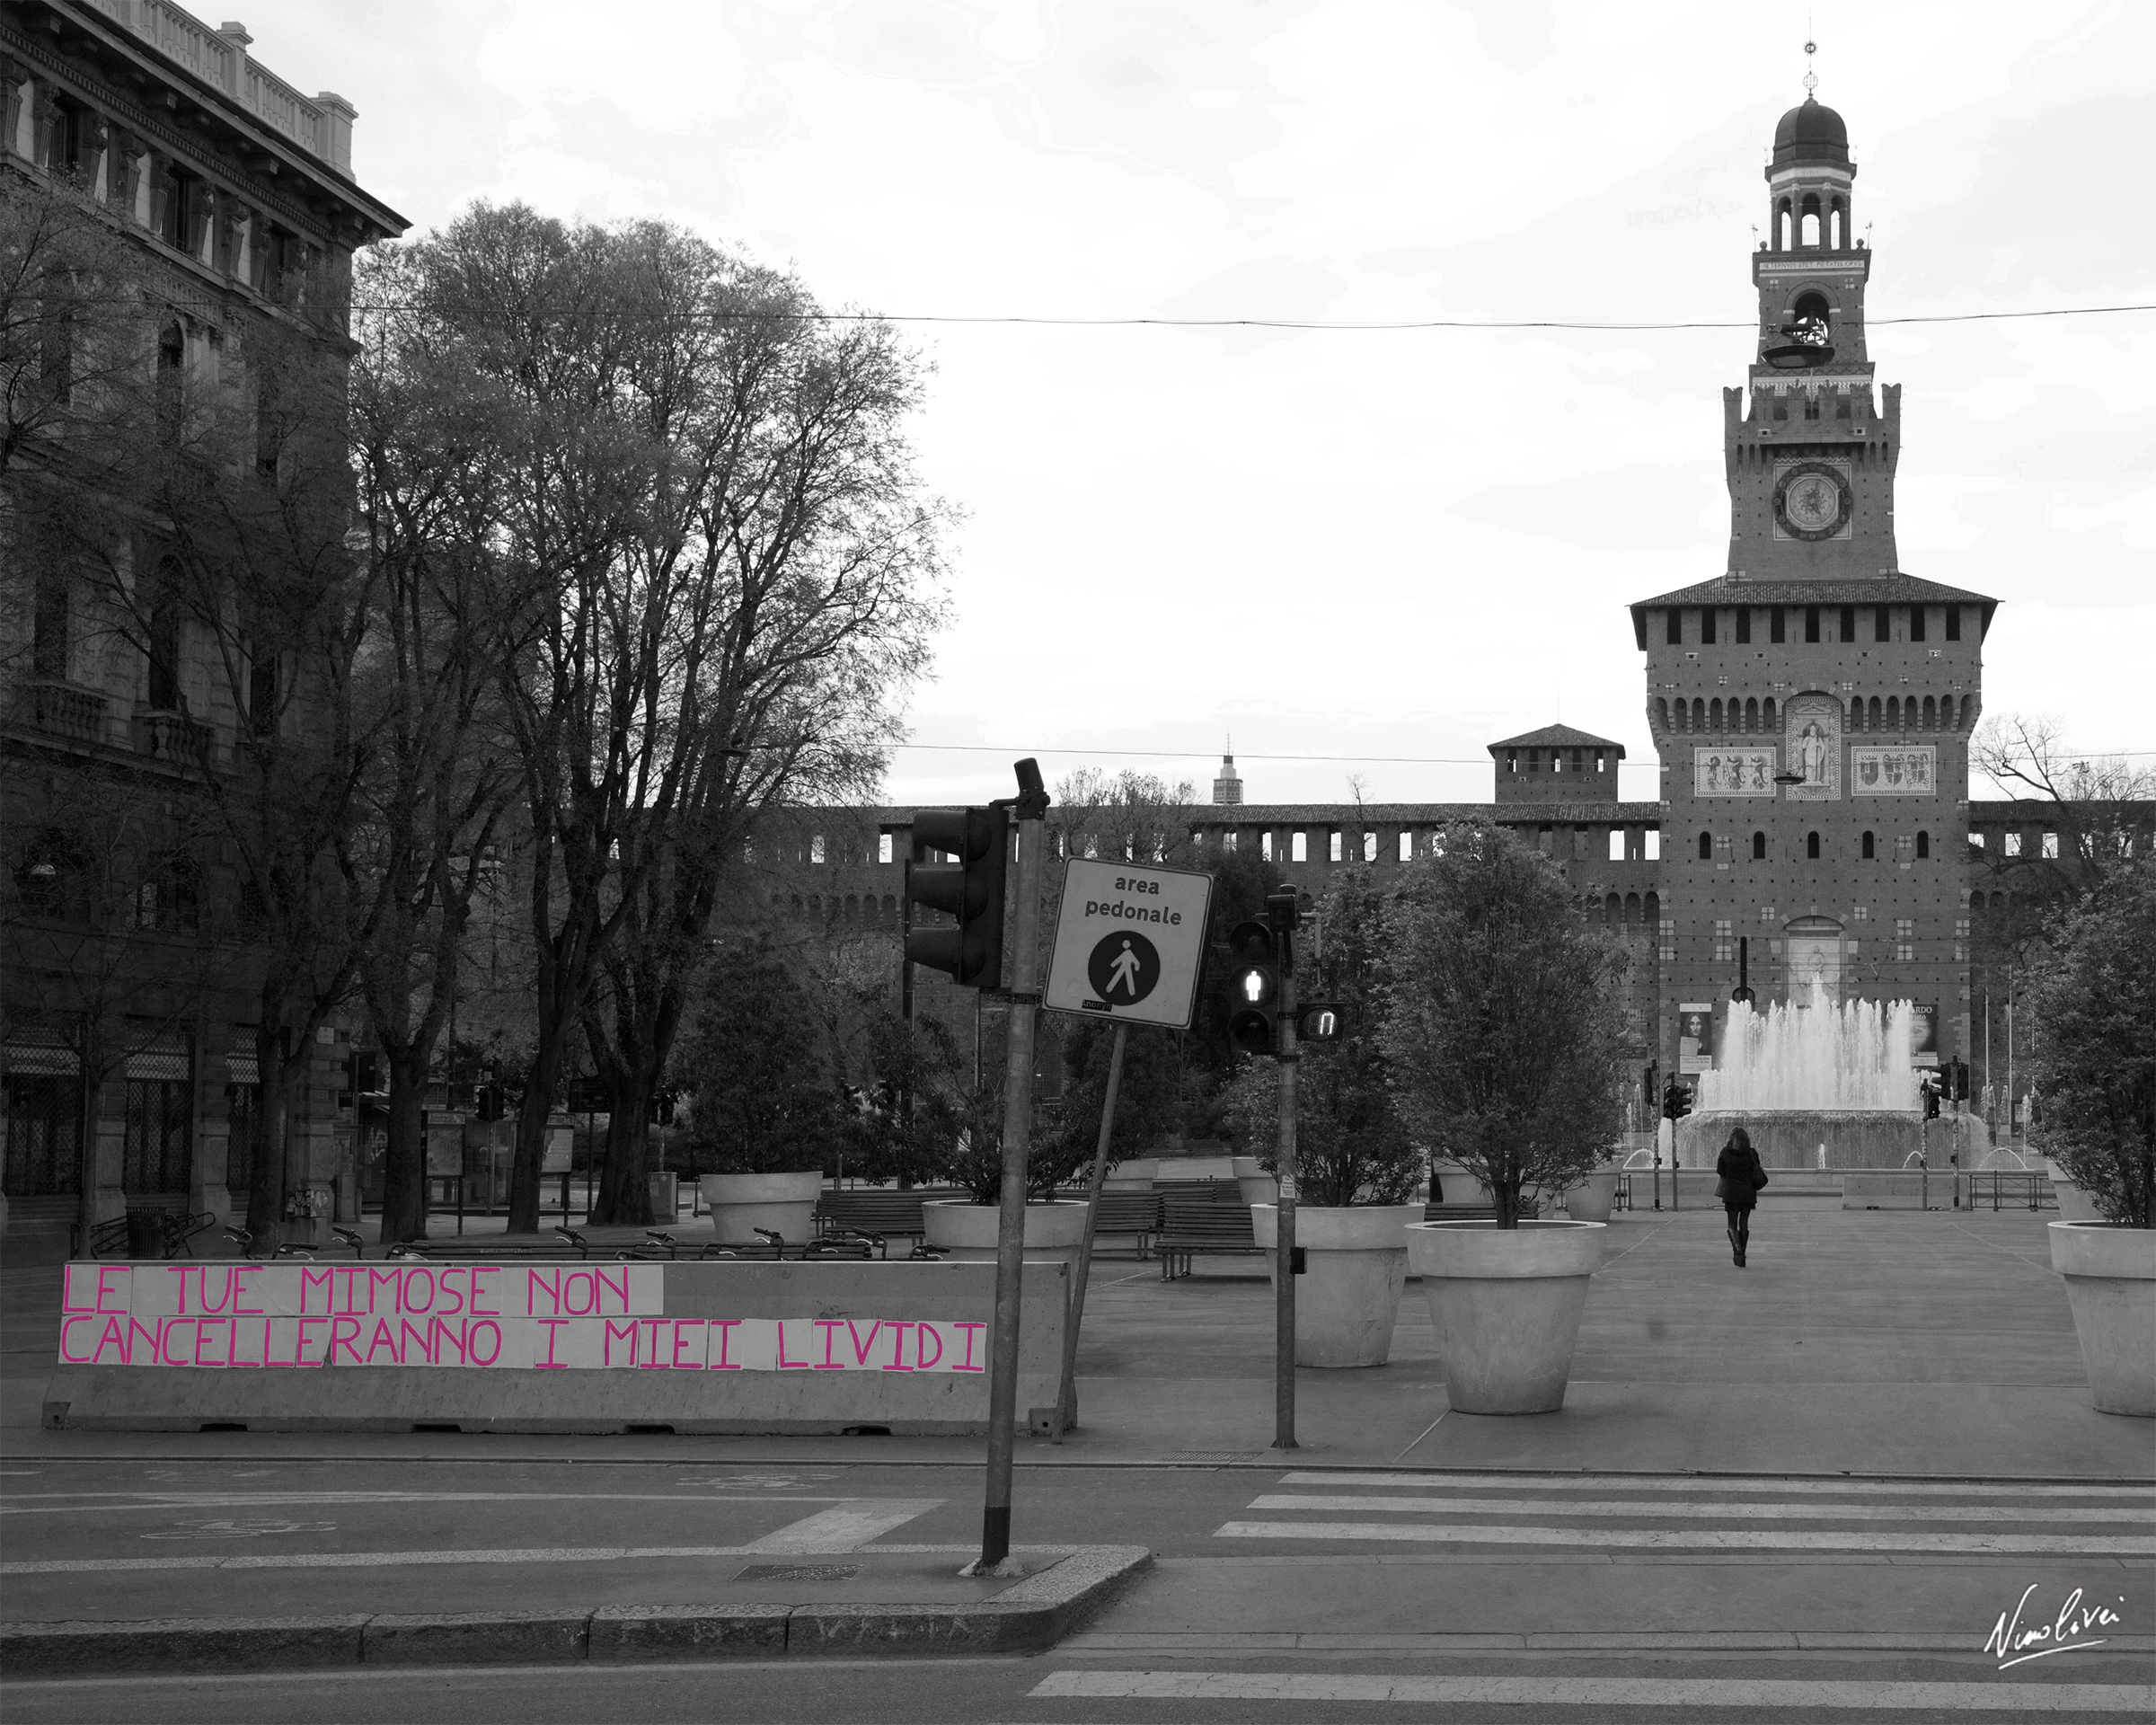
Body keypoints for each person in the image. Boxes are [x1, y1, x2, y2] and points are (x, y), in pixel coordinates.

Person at [1715, 1127, 1768, 1267]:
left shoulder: (1725, 1152)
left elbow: (1720, 1170)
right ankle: (1743, 1253)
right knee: (1744, 1222)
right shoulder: (1751, 1153)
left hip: (1731, 1192)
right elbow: (1756, 1169)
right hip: (1747, 1193)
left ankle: (1737, 1249)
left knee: (1732, 1224)